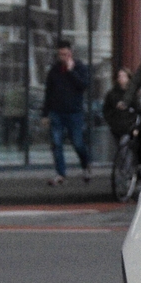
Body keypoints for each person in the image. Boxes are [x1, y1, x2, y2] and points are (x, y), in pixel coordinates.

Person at [43, 41, 92, 184]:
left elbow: (83, 85)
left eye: (65, 54)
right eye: (60, 54)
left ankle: (86, 165)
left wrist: (71, 71)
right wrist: (45, 114)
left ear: (70, 54)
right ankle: (60, 173)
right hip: (56, 112)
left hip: (74, 113)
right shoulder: (54, 70)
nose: (62, 57)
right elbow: (49, 93)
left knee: (77, 143)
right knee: (56, 143)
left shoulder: (80, 67)